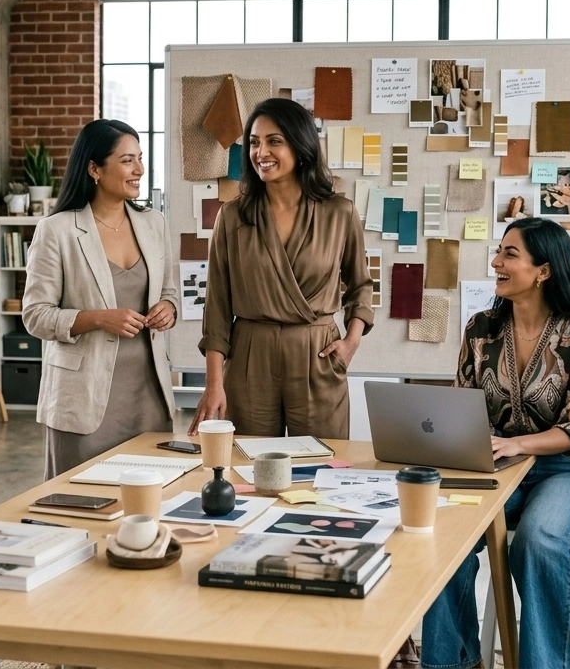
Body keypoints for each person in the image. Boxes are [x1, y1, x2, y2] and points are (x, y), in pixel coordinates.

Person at [422, 217, 570, 669]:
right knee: (443, 534)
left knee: (538, 540)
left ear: (543, 271)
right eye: (498, 252)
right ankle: (452, 663)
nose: (496, 263)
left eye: (510, 254)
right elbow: (464, 404)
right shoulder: (481, 328)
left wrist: (518, 444)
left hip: (568, 469)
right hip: (494, 463)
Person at [193, 97, 374, 438]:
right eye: (254, 143)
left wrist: (351, 341)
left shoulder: (340, 212)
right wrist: (213, 384)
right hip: (250, 354)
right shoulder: (232, 216)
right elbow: (216, 306)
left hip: (317, 353)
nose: (261, 152)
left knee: (321, 462)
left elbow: (361, 285)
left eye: (274, 141)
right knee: (249, 462)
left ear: (300, 146)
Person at [22, 119, 178, 479]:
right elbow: (36, 315)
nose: (139, 169)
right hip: (84, 400)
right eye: (127, 160)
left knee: (149, 500)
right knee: (79, 500)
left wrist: (168, 309)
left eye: (140, 158)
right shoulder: (57, 230)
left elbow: (168, 291)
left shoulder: (154, 224)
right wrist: (98, 318)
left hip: (148, 396)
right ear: (94, 169)